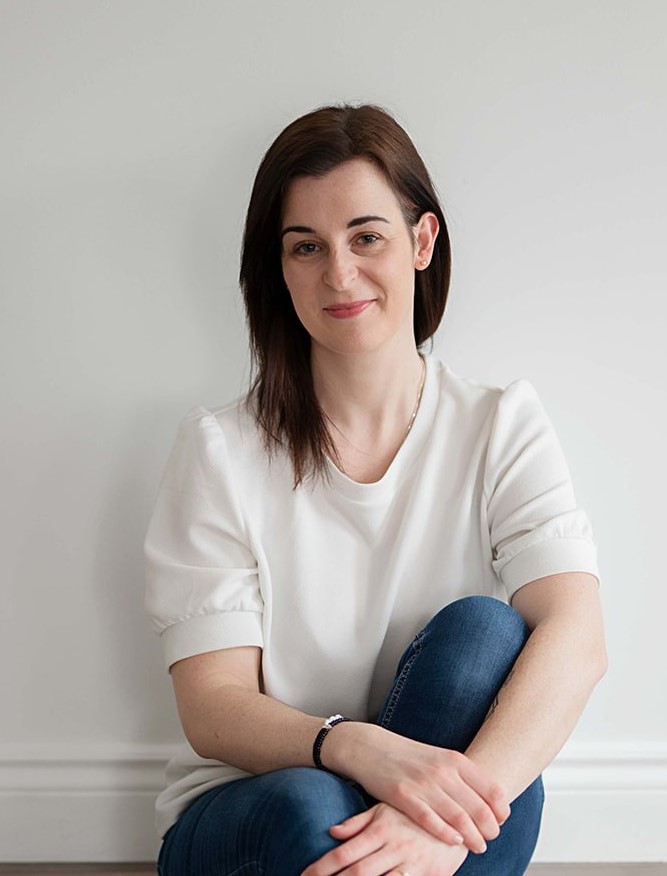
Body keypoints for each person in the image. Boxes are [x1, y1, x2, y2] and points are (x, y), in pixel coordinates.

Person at [144, 103, 607, 876]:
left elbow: (577, 638)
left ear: (422, 242)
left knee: (486, 641)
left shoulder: (499, 423)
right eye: (307, 247)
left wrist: (435, 829)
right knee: (314, 809)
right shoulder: (220, 451)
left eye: (367, 237)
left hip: (432, 820)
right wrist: (353, 746)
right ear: (279, 267)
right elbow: (213, 705)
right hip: (255, 809)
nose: (339, 274)